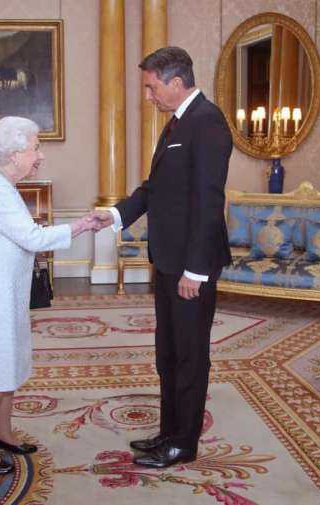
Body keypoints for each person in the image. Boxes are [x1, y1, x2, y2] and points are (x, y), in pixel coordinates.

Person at [93, 46, 233, 468]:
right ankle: (169, 432)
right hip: (169, 260)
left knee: (190, 356)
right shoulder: (176, 124)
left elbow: (209, 203)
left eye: (152, 88)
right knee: (168, 354)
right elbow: (155, 189)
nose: (148, 96)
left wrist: (196, 270)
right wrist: (115, 214)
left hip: (191, 266)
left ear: (176, 82)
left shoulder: (208, 123)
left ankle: (184, 444)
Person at [0, 116, 95, 475]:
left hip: (3, 291)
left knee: (8, 361)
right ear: (16, 152)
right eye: (36, 147)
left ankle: (1, 432)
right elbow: (32, 238)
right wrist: (79, 226)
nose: (40, 156)